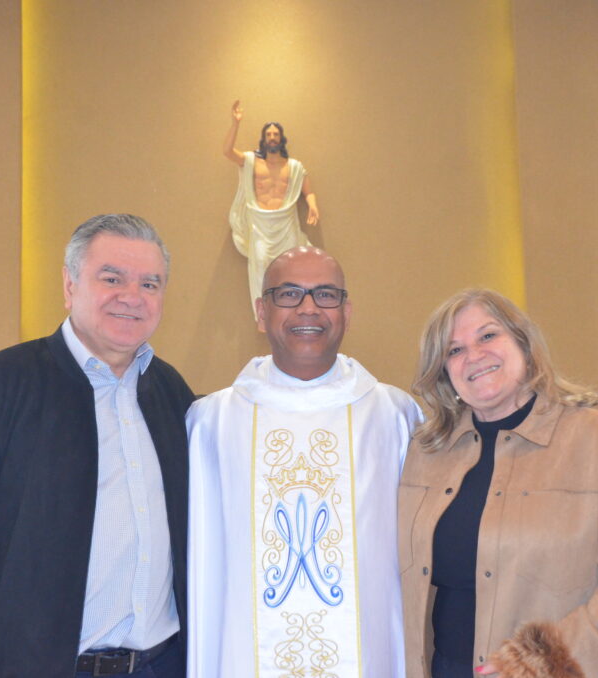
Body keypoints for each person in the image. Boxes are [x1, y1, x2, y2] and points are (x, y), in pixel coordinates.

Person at [0, 214, 194, 677]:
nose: (132, 297)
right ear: (70, 285)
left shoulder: (173, 396)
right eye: (112, 278)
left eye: (150, 284)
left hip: (162, 665)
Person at [400, 289, 598, 678]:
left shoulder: (596, 439)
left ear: (523, 344)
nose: (474, 355)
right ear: (443, 372)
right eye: (454, 350)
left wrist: (537, 662)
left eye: (488, 336)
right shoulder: (426, 452)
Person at [187, 246, 421, 677]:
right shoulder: (212, 422)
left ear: (346, 312)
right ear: (261, 312)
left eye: (326, 295)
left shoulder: (394, 415)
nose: (309, 308)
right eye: (289, 294)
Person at [223, 100, 320, 315]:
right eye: (269, 135)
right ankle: (265, 316)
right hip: (260, 225)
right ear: (264, 139)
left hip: (286, 225)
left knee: (291, 269)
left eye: (276, 135)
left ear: (281, 138)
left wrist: (312, 205)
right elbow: (228, 151)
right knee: (260, 270)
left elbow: (308, 191)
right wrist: (235, 124)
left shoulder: (293, 167)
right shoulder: (251, 162)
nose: (273, 138)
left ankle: (294, 311)